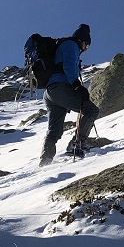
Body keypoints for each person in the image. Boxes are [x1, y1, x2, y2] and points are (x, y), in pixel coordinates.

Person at [39, 24, 100, 166]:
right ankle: (77, 144)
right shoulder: (71, 45)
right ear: (83, 41)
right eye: (87, 46)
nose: (85, 50)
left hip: (50, 92)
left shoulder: (63, 45)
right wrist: (77, 85)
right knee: (91, 110)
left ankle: (45, 162)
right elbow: (68, 66)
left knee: (53, 131)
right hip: (61, 88)